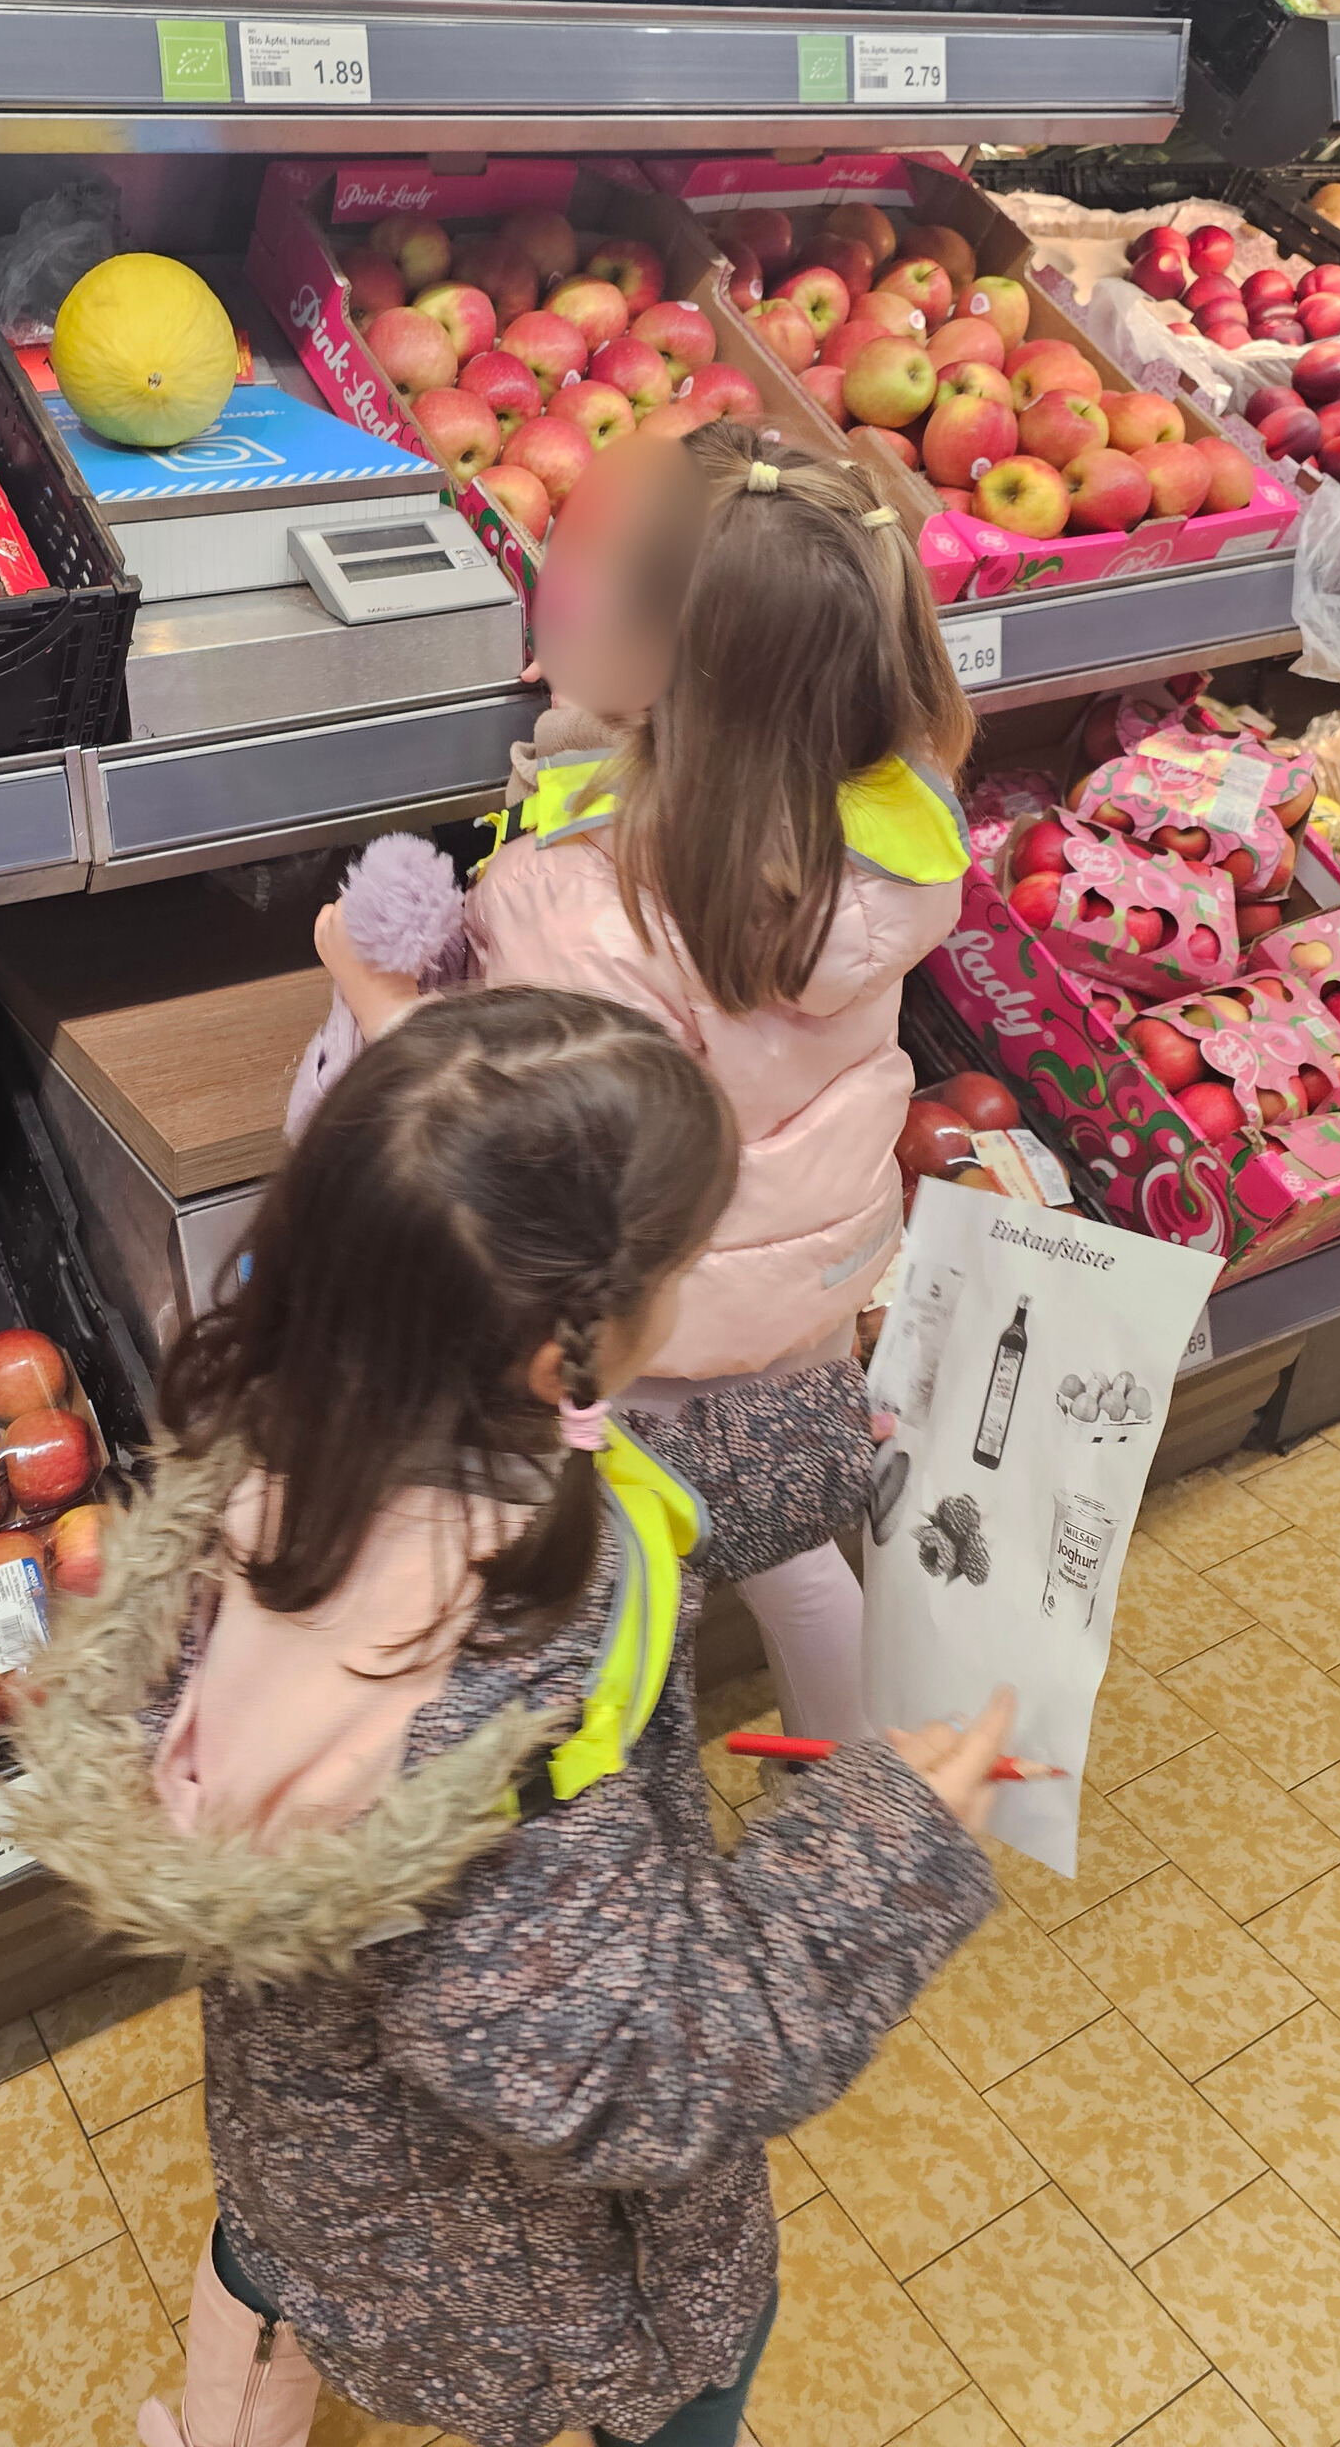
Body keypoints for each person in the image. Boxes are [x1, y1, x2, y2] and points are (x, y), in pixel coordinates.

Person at [0, 988, 1008, 2447]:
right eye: (683, 1266)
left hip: (320, 2143)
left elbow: (615, 1483)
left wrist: (829, 1435)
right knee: (697, 2368)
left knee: (272, 2267)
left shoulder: (312, 1448)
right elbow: (634, 2058)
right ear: (563, 1353)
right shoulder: (501, 1709)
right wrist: (882, 1844)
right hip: (538, 2277)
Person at [318, 425, 973, 1742]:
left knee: (622, 1572)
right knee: (790, 1553)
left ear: (667, 658)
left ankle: (646, 1789)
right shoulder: (884, 833)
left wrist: (373, 993)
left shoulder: (575, 902)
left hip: (652, 1327)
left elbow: (522, 1138)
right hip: (798, 1294)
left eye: (597, 576)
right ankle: (859, 1771)